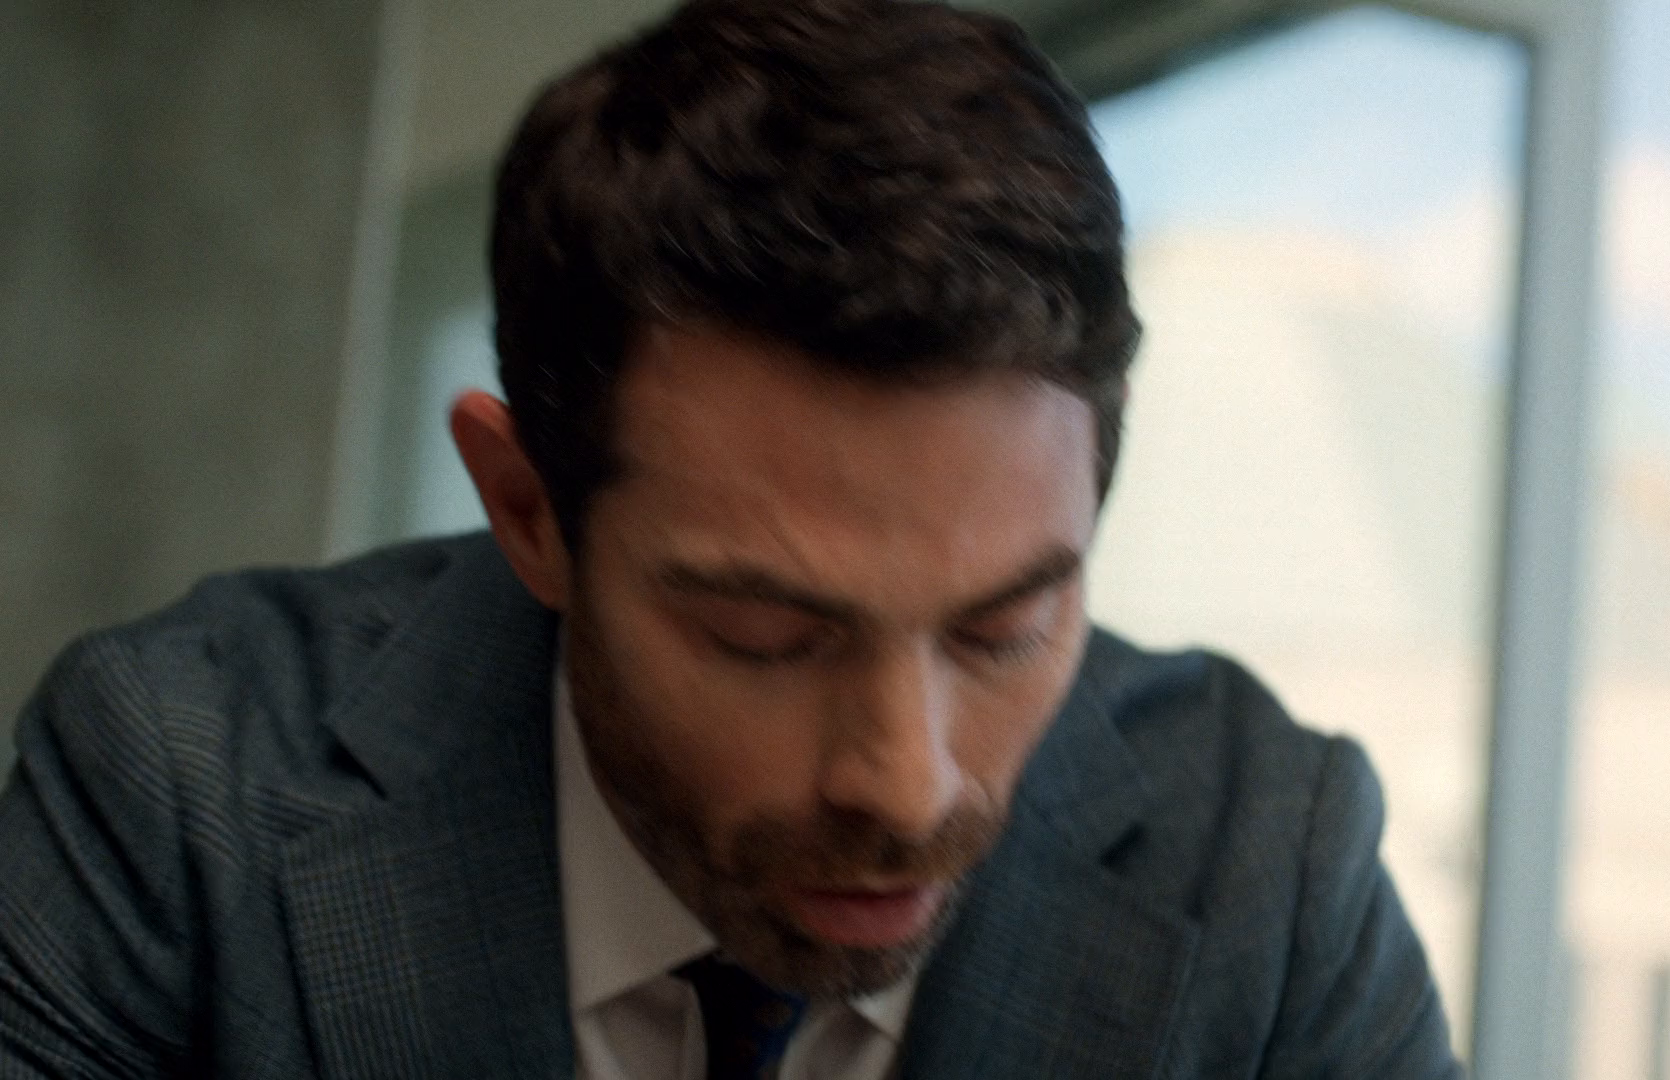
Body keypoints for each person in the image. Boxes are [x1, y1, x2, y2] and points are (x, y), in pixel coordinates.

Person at [0, 0, 1461, 1076]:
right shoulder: (181, 787)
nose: (906, 785)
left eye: (1005, 627)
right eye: (766, 638)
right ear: (527, 511)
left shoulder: (1266, 867)